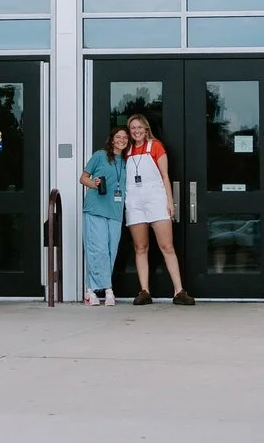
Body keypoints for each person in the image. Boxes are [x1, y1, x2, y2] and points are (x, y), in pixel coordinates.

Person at [123, 111, 191, 305]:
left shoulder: (156, 146)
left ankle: (179, 290)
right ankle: (144, 290)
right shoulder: (126, 150)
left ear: (146, 129)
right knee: (140, 247)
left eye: (139, 127)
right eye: (132, 128)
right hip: (135, 203)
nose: (136, 131)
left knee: (167, 246)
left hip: (156, 200)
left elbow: (165, 176)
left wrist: (170, 202)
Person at [79, 125, 128, 305]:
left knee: (110, 251)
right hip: (96, 208)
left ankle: (90, 289)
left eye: (125, 138)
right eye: (119, 137)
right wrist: (94, 183)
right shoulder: (100, 155)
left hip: (115, 211)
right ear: (112, 139)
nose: (122, 140)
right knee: (96, 249)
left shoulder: (126, 160)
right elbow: (83, 178)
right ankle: (105, 289)